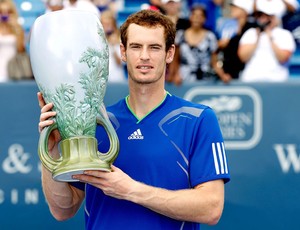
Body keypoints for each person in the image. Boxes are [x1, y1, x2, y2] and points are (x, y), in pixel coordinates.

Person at [38, 9, 230, 229]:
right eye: (136, 47)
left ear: (170, 53)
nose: (144, 56)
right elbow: (63, 209)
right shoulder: (95, 122)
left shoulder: (198, 119)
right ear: (122, 52)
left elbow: (212, 208)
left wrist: (130, 190)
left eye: (154, 47)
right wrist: (51, 151)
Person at [238, 0, 296, 82]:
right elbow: (243, 57)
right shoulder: (250, 33)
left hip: (276, 80)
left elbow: (283, 58)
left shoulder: (285, 35)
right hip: (252, 79)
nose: (263, 19)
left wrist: (270, 37)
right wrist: (257, 38)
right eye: (260, 16)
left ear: (273, 18)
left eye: (267, 16)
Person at [169, 4, 222, 84]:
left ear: (205, 19)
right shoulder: (181, 35)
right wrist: (174, 74)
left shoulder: (210, 37)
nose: (197, 18)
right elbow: (175, 59)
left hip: (206, 80)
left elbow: (214, 62)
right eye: (194, 15)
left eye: (200, 16)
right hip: (183, 79)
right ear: (190, 17)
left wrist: (223, 75)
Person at [216, 0, 254, 83]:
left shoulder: (252, 28)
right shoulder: (227, 25)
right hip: (227, 74)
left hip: (245, 74)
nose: (232, 9)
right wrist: (220, 44)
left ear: (244, 11)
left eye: (236, 7)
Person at [0, 0, 26, 82]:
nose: (4, 15)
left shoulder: (17, 28)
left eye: (8, 12)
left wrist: (17, 29)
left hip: (14, 68)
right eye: (1, 12)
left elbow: (21, 50)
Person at [100, 9, 126, 82]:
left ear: (113, 25)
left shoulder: (119, 40)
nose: (106, 27)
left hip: (116, 77)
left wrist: (113, 47)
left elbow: (120, 63)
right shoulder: (98, 41)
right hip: (102, 80)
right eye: (104, 24)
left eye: (108, 24)